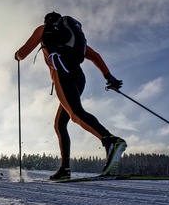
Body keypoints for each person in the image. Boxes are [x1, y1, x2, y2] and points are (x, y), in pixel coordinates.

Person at [14, 12, 127, 180]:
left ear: (47, 21)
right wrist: (108, 76)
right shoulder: (70, 39)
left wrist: (17, 55)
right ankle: (65, 169)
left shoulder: (44, 29)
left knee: (74, 113)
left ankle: (110, 140)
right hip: (79, 77)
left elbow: (22, 54)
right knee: (60, 124)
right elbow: (95, 56)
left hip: (62, 73)